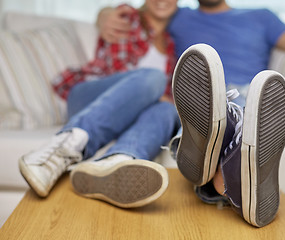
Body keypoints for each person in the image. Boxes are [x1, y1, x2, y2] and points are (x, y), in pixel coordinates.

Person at [96, 0, 285, 227]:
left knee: (244, 105)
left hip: (245, 93)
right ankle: (227, 172)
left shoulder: (262, 17)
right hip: (196, 96)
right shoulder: (179, 16)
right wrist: (104, 14)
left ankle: (218, 173)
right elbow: (140, 14)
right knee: (182, 111)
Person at [18, 0, 179, 209]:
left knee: (167, 109)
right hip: (91, 95)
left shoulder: (171, 44)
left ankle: (118, 161)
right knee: (154, 79)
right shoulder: (126, 17)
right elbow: (118, 70)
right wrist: (104, 14)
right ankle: (61, 150)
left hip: (129, 116)